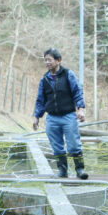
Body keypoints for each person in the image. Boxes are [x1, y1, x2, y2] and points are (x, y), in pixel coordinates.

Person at [32, 48, 88, 179]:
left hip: (68, 115)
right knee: (56, 145)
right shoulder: (44, 79)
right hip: (52, 117)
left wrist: (81, 109)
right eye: (45, 60)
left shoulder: (68, 74)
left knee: (74, 143)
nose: (47, 62)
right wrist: (36, 117)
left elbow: (77, 92)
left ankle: (80, 170)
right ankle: (63, 171)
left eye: (49, 60)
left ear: (58, 61)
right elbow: (40, 99)